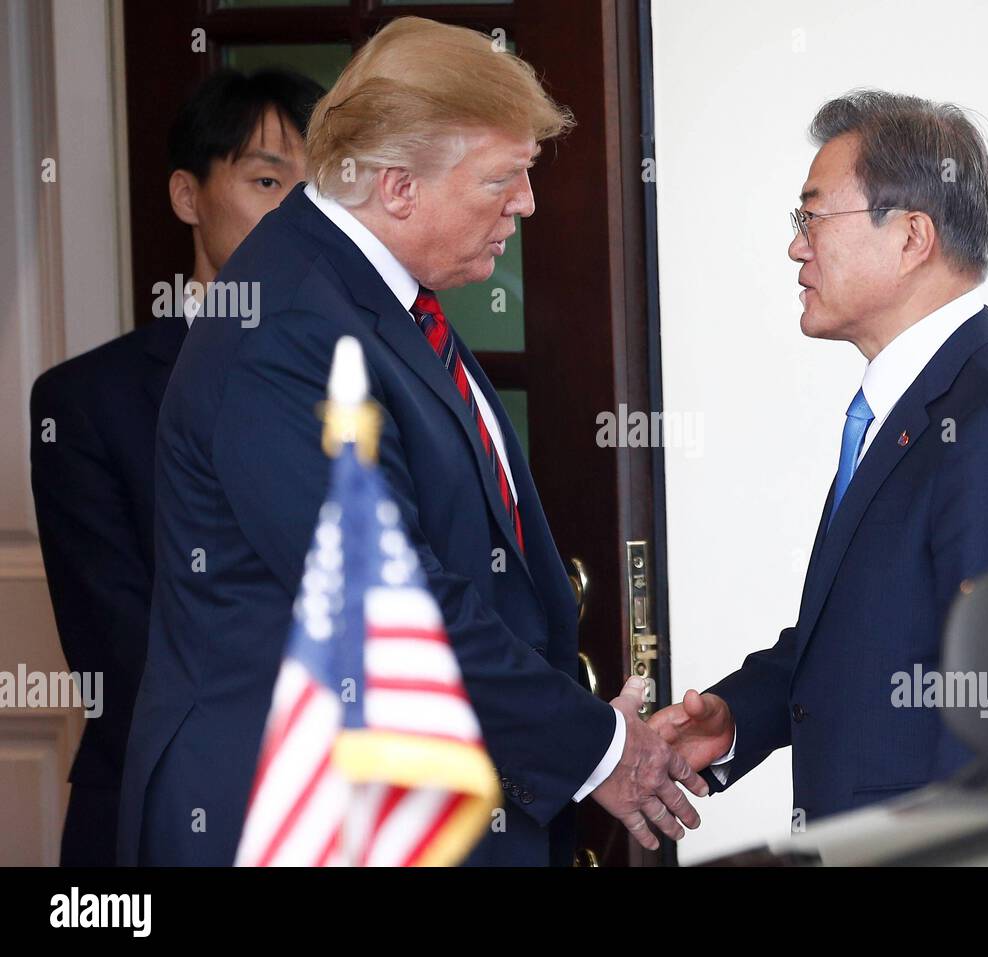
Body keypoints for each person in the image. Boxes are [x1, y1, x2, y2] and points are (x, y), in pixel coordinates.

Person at [117, 17, 705, 868]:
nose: (527, 204)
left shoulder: (368, 291)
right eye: (503, 179)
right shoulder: (291, 330)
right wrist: (601, 748)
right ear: (396, 187)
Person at [651, 90, 988, 824]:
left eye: (812, 216)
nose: (797, 245)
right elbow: (867, 631)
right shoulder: (915, 404)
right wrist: (737, 719)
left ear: (912, 236)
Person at [29, 67, 321, 866]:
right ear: (188, 196)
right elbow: (120, 652)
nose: (297, 212)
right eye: (267, 180)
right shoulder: (86, 401)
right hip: (164, 809)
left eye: (318, 188)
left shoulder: (368, 384)